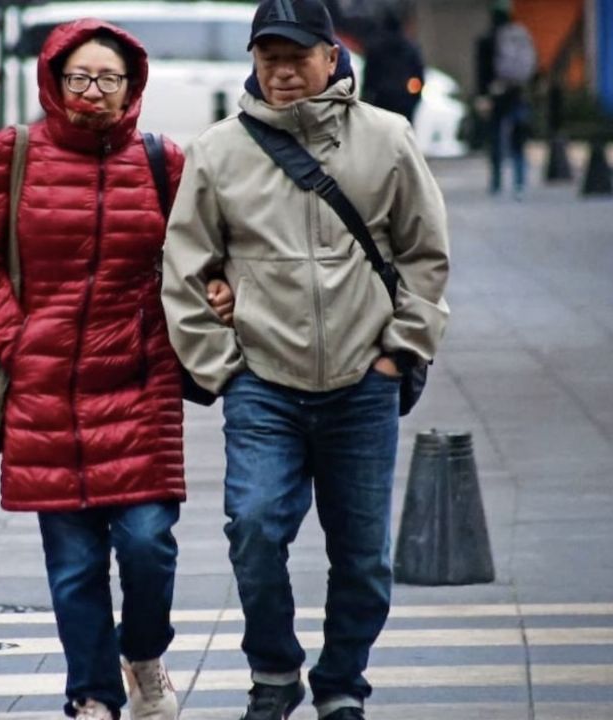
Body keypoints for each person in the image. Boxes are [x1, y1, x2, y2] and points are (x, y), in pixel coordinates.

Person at [160, 0, 450, 718]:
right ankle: (274, 672)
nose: (283, 72)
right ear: (254, 62)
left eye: (297, 57)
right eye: (270, 59)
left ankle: (342, 683)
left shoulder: (386, 138)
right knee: (254, 529)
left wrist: (400, 351)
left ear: (331, 56)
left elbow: (425, 253)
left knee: (364, 557)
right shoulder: (219, 151)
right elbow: (185, 267)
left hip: (363, 381)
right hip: (263, 383)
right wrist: (224, 367)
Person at [0, 19, 233, 720]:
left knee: (148, 547)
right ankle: (92, 695)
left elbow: (201, 254)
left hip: (139, 381)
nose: (92, 90)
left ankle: (142, 653)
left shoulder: (162, 161)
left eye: (109, 78)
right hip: (44, 389)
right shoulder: (11, 153)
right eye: (79, 76)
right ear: (54, 80)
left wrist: (216, 293)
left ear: (132, 86)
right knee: (75, 565)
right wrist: (19, 345)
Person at [474, 1, 537, 198]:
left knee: (495, 138)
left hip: (495, 94)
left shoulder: (487, 39)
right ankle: (520, 181)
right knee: (518, 139)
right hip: (517, 93)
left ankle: (496, 181)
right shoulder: (519, 35)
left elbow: (481, 72)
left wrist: (482, 95)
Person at [360, 11, 426, 125]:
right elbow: (418, 75)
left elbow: (369, 77)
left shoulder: (375, 47)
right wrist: (413, 97)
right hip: (404, 101)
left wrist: (367, 97)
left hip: (381, 100)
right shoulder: (410, 49)